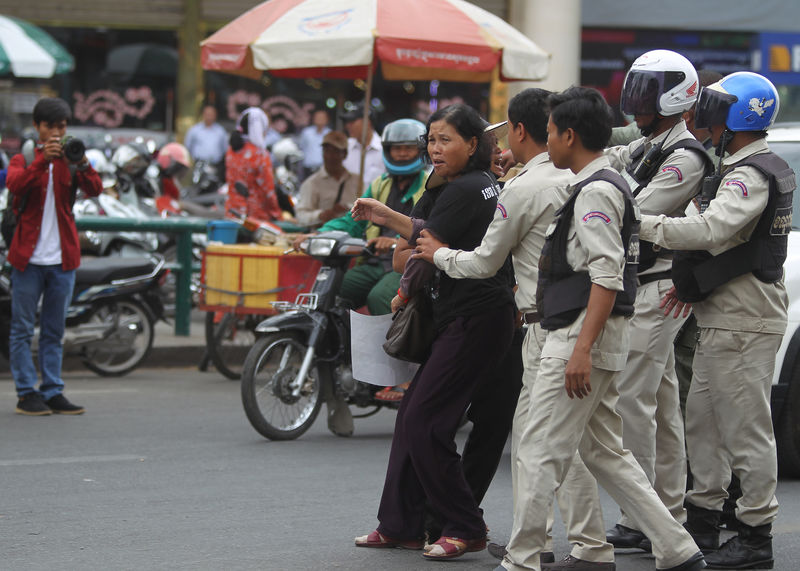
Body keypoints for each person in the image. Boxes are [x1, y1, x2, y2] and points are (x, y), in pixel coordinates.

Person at [497, 86, 704, 571]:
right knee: (605, 452)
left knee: (543, 447)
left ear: (569, 135)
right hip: (593, 335)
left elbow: (607, 276)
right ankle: (678, 550)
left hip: (578, 335)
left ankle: (521, 557)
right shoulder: (603, 183)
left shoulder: (595, 192)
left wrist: (581, 350)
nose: (545, 141)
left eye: (549, 132)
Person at [413, 89, 612, 568]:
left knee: (545, 446)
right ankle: (576, 544)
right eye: (432, 140)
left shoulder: (527, 186)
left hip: (553, 328)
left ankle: (541, 550)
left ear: (527, 131)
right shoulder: (584, 177)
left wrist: (435, 252)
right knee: (579, 449)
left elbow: (484, 261)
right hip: (564, 324)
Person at [640, 71, 792, 570]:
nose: (703, 111)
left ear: (736, 116)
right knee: (702, 424)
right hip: (721, 317)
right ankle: (703, 520)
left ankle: (754, 535)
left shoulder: (750, 173)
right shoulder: (734, 164)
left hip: (744, 320)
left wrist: (636, 219)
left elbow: (711, 229)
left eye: (715, 104)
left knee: (745, 430)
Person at [351, 103, 516, 561]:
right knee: (415, 418)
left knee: (427, 420)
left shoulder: (471, 188)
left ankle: (465, 524)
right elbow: (414, 252)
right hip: (460, 316)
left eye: (446, 140)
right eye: (432, 139)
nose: (435, 148)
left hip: (479, 318)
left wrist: (387, 217)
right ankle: (401, 524)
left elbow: (421, 242)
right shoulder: (455, 185)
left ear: (472, 144)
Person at [597, 49, 712, 552]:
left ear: (676, 96)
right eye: (638, 86)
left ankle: (641, 517)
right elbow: (605, 173)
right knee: (662, 406)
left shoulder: (685, 157)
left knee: (633, 405)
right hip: (649, 286)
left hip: (655, 287)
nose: (638, 99)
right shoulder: (649, 145)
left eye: (649, 89)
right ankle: (668, 508)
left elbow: (632, 211)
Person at [296, 118, 428, 435]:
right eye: (396, 149)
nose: (401, 154)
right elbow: (352, 221)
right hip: (371, 262)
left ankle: (401, 369)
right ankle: (346, 360)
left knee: (380, 297)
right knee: (333, 295)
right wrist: (317, 233)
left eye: (408, 148)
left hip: (405, 263)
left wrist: (392, 240)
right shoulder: (380, 184)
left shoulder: (427, 185)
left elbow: (422, 226)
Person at [6, 97, 103, 416]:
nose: (57, 133)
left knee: (54, 329)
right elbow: (14, 185)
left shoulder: (71, 158)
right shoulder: (24, 158)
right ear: (37, 127)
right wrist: (41, 162)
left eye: (62, 126)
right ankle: (25, 392)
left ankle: (52, 389)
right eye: (51, 126)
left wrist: (83, 162)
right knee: (22, 328)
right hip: (27, 258)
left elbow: (95, 189)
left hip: (62, 259)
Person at [224, 107, 282, 221]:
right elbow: (268, 192)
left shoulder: (231, 151)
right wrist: (277, 215)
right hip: (256, 218)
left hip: (232, 214)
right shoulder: (260, 154)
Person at [294, 131, 359, 228]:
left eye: (336, 151)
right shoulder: (312, 183)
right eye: (327, 151)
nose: (330, 156)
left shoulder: (357, 181)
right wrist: (320, 215)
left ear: (344, 154)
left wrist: (348, 208)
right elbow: (301, 217)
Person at [341, 102, 384, 188]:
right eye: (347, 122)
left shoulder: (384, 150)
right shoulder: (344, 146)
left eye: (352, 121)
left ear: (367, 122)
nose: (348, 126)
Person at [298, 108, 331, 178]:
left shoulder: (330, 134)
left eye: (322, 117)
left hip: (324, 168)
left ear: (327, 119)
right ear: (313, 119)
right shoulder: (306, 132)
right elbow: (301, 147)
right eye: (317, 117)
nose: (319, 119)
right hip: (308, 168)